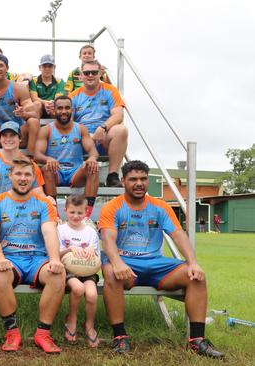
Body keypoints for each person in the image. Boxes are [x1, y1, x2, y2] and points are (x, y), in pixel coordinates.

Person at [99, 160, 224, 358]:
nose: (139, 183)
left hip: (155, 263)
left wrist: (192, 262)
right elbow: (107, 239)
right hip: (125, 263)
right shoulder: (112, 207)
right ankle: (120, 337)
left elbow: (178, 235)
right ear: (123, 181)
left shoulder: (160, 207)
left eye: (143, 179)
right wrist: (117, 263)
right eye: (133, 179)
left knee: (196, 276)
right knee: (112, 274)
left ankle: (197, 340)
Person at [0, 155, 64, 353]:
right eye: (18, 173)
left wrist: (54, 259)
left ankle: (43, 334)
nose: (23, 178)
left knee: (58, 273)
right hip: (9, 258)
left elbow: (49, 232)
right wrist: (0, 259)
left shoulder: (44, 204)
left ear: (34, 178)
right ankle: (12, 333)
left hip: (37, 258)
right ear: (10, 176)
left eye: (27, 174)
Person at [34, 95, 99, 218]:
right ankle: (54, 214)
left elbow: (93, 151)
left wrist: (92, 158)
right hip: (56, 172)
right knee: (47, 168)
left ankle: (87, 215)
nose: (64, 111)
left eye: (67, 108)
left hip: (75, 173)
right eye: (60, 108)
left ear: (72, 110)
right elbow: (37, 155)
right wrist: (47, 159)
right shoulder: (46, 130)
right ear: (54, 110)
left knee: (93, 167)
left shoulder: (80, 129)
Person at [70, 60, 128, 187]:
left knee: (121, 130)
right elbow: (68, 122)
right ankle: (71, 174)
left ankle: (112, 176)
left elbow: (119, 115)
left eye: (94, 72)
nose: (90, 75)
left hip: (104, 136)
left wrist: (103, 128)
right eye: (87, 72)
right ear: (81, 75)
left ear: (100, 73)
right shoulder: (73, 96)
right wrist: (85, 135)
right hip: (82, 139)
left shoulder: (110, 90)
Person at [0, 122, 46, 220]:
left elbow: (39, 192)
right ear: (0, 139)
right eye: (4, 135)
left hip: (24, 208)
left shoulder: (31, 165)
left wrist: (47, 199)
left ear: (20, 138)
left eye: (12, 135)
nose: (8, 139)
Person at [0, 54, 40, 158]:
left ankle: (32, 162)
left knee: (33, 121)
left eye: (1, 66)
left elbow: (34, 114)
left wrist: (24, 113)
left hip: (18, 134)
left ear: (7, 69)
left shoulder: (19, 89)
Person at [58, 194, 101, 347]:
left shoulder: (90, 232)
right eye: (72, 212)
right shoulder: (60, 230)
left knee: (92, 295)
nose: (76, 216)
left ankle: (89, 325)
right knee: (78, 288)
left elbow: (97, 258)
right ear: (65, 211)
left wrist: (91, 250)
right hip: (68, 270)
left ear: (86, 213)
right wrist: (69, 249)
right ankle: (72, 320)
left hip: (87, 270)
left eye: (80, 213)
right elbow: (55, 254)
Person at [21, 54, 66, 119]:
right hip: (39, 108)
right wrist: (44, 102)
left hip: (52, 107)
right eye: (44, 66)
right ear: (40, 67)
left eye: (50, 66)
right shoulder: (34, 80)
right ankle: (35, 124)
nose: (47, 69)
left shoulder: (59, 81)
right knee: (37, 104)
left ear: (54, 67)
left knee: (58, 104)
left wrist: (50, 104)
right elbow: (34, 98)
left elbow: (58, 98)